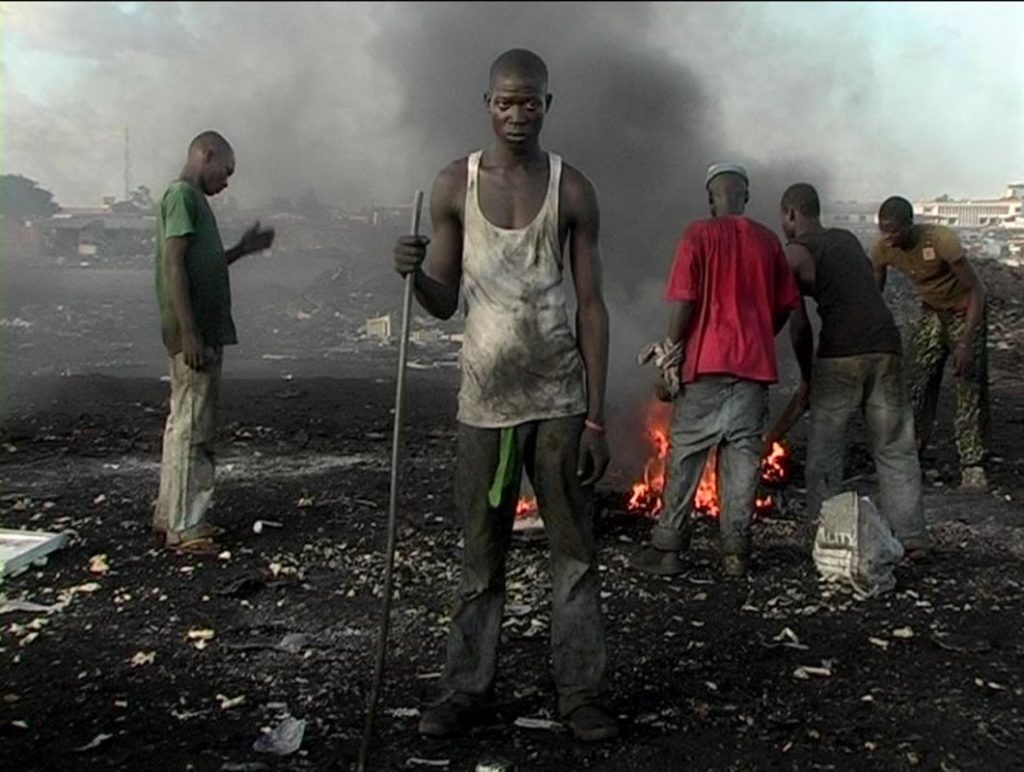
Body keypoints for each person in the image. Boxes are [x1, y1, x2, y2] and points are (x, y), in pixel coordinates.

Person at [391, 49, 616, 742]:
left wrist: (598, 421)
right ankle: (465, 689)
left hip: (557, 401)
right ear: (485, 103)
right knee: (479, 557)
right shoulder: (453, 186)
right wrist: (411, 273)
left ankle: (579, 695)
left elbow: (592, 308)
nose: (517, 115)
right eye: (505, 103)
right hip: (484, 407)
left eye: (531, 103)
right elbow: (442, 298)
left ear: (550, 104)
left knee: (573, 556)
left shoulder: (571, 190)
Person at [631, 163, 800, 579]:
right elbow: (784, 306)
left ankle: (668, 550)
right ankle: (735, 556)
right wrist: (758, 336)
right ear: (745, 196)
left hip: (705, 367)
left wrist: (672, 353)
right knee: (742, 463)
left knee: (686, 457)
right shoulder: (768, 241)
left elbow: (685, 301)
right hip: (753, 371)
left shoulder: (697, 235)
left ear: (711, 200)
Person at [773, 183, 930, 558]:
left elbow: (798, 325)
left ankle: (828, 537)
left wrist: (807, 378)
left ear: (792, 214)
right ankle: (912, 537)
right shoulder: (844, 239)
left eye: (784, 218)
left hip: (841, 354)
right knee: (895, 446)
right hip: (886, 345)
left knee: (826, 451)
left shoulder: (795, 252)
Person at [152, 131, 275, 554]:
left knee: (182, 421)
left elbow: (201, 264)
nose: (227, 181)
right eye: (226, 170)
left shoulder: (190, 201)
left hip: (198, 329)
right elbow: (174, 265)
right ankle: (188, 527)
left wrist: (242, 249)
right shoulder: (182, 196)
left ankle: (170, 515)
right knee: (195, 428)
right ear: (207, 155)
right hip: (195, 332)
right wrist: (190, 332)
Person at [870, 196, 990, 491]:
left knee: (968, 385)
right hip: (933, 312)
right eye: (882, 229)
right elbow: (876, 290)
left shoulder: (941, 241)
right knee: (916, 381)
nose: (887, 237)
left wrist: (965, 343)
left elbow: (977, 290)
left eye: (893, 230)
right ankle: (910, 455)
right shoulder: (882, 249)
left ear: (910, 225)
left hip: (965, 311)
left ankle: (972, 466)